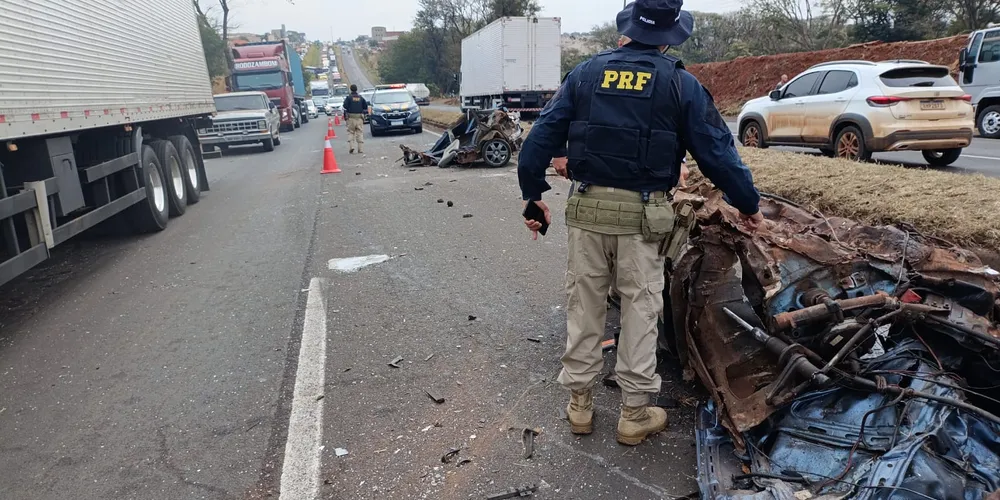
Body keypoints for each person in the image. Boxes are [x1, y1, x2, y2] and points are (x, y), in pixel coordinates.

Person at [517, 0, 763, 447]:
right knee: (639, 311)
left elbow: (538, 141)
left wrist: (533, 199)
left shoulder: (585, 74)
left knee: (584, 305)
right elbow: (717, 153)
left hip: (587, 213)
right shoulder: (680, 84)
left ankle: (580, 407)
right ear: (671, 37)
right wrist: (748, 203)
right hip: (643, 220)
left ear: (626, 30)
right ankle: (633, 414)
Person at [342, 85, 368, 154]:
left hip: (351, 118)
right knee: (359, 133)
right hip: (359, 118)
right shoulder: (361, 98)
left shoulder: (349, 98)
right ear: (356, 89)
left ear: (351, 89)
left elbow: (345, 106)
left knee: (351, 132)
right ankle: (360, 149)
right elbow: (365, 106)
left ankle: (351, 147)